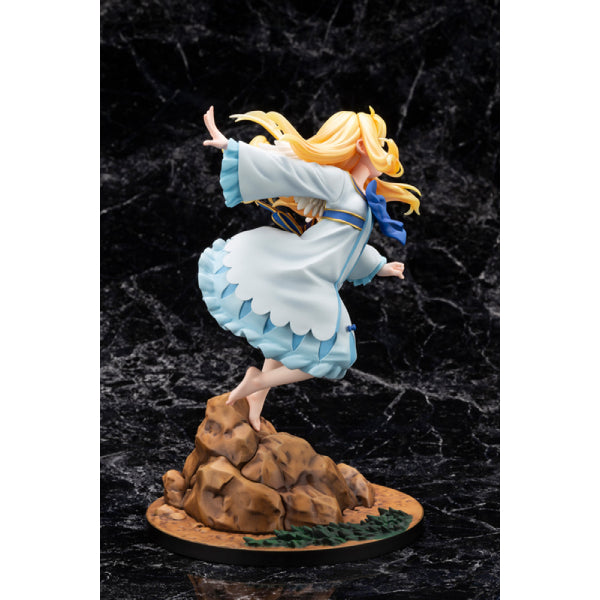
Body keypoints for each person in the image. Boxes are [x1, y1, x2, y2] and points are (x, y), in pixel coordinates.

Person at [200, 106, 420, 431]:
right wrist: (231, 148)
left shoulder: (360, 196)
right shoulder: (339, 183)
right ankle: (256, 383)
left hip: (316, 276)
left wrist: (380, 266)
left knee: (284, 338)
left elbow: (349, 247)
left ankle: (255, 403)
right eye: (381, 142)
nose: (386, 152)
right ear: (363, 146)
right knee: (335, 355)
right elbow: (292, 171)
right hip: (304, 271)